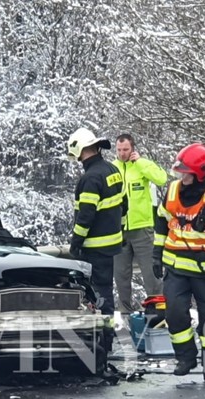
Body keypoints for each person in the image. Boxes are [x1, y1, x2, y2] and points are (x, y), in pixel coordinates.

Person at [153, 143, 205, 384]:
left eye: (186, 172)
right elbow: (161, 224)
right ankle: (186, 358)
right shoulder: (171, 192)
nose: (181, 176)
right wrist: (155, 254)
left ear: (200, 173)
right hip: (176, 268)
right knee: (175, 313)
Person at [66, 128, 124, 317]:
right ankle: (107, 331)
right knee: (105, 288)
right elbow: (124, 206)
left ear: (80, 150)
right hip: (112, 244)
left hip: (94, 247)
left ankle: (105, 335)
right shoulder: (113, 170)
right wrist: (120, 232)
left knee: (98, 293)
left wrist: (76, 243)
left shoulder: (90, 178)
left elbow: (85, 217)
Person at [111, 134, 167, 314]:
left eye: (125, 149)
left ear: (132, 148)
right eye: (119, 150)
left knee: (151, 275)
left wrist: (141, 162)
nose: (122, 153)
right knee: (121, 277)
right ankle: (126, 314)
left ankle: (158, 311)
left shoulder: (142, 165)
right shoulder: (112, 168)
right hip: (119, 230)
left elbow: (161, 178)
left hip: (142, 227)